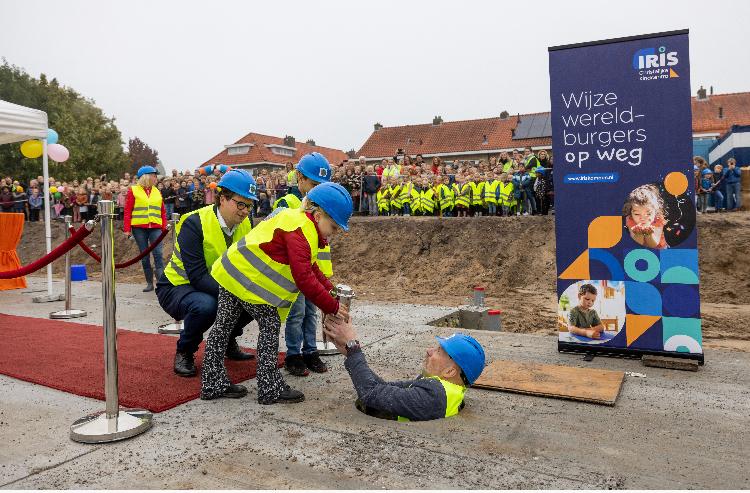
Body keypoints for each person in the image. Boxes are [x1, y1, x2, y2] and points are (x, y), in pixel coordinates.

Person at [200, 182, 353, 403]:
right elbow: (305, 279)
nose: (334, 234)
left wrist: (331, 293)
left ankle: (212, 382)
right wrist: (334, 308)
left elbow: (311, 268)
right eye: (334, 227)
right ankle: (269, 387)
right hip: (247, 281)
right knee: (269, 325)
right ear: (318, 215)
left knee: (222, 328)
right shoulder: (301, 231)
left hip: (232, 273)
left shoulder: (300, 223)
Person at [157, 169, 258, 376]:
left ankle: (229, 338)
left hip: (213, 284)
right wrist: (236, 293)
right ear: (222, 198)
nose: (245, 211)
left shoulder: (245, 223)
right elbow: (197, 276)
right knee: (207, 306)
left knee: (256, 299)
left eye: (249, 205)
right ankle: (185, 350)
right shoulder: (194, 222)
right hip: (178, 287)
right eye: (241, 204)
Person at [323, 314, 485, 421]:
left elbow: (370, 393)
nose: (429, 351)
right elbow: (382, 388)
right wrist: (350, 353)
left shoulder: (433, 396)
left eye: (438, 351)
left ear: (450, 371)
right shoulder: (446, 389)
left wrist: (353, 346)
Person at [272, 152, 334, 377]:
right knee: (296, 313)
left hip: (313, 270)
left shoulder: (324, 205)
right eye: (314, 184)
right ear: (299, 178)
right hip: (294, 271)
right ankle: (293, 354)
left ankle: (310, 351)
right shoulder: (287, 203)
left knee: (311, 313)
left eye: (322, 185)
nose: (318, 189)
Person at [123, 165, 168, 292]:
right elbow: (128, 211)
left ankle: (161, 284)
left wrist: (164, 227)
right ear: (147, 176)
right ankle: (149, 283)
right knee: (144, 256)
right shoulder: (134, 190)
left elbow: (162, 211)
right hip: (139, 228)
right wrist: (127, 229)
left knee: (158, 254)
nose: (156, 178)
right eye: (154, 176)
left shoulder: (157, 191)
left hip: (155, 227)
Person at [623, 184, 667, 249]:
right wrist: (639, 232)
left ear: (655, 211)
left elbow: (654, 244)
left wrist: (648, 233)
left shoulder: (658, 219)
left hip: (660, 249)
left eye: (648, 214)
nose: (643, 218)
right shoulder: (630, 219)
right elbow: (636, 243)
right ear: (631, 212)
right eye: (637, 214)